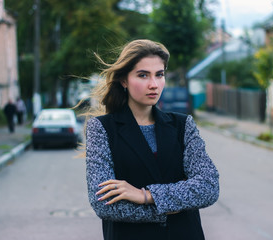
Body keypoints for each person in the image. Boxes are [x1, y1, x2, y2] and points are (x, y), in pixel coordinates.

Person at [85, 39, 219, 240]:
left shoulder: (183, 125)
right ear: (124, 80)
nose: (154, 84)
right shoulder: (102, 128)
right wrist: (175, 203)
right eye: (143, 75)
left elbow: (208, 186)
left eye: (160, 75)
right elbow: (104, 205)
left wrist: (146, 196)